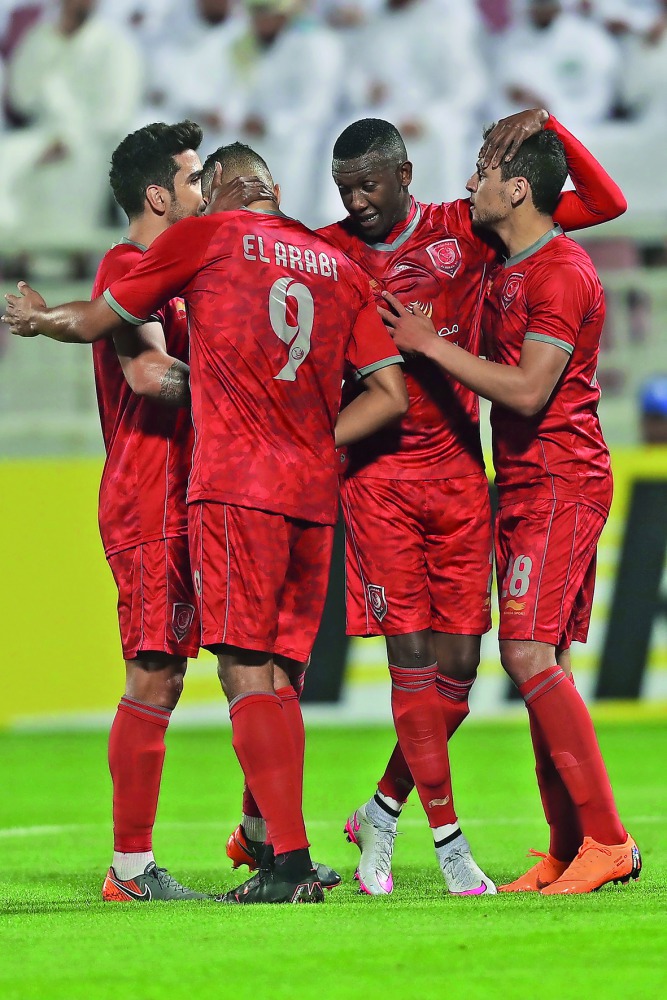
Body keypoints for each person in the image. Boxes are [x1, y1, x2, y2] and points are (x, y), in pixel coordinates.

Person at [3, 141, 408, 905]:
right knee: (162, 670)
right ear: (163, 195)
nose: (200, 191)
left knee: (269, 672)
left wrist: (264, 412)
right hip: (161, 491)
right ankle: (132, 868)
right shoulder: (143, 262)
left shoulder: (217, 250)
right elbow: (147, 370)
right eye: (190, 178)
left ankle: (271, 844)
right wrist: (273, 408)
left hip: (233, 483)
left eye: (205, 178)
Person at [318, 110, 627, 895]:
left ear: (401, 178)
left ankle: (598, 840)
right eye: (342, 188)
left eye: (368, 184)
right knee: (504, 661)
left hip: (501, 475)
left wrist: (551, 125)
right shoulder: (329, 249)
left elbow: (599, 201)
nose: (355, 200)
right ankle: (557, 846)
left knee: (493, 664)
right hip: (414, 480)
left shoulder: (482, 236)